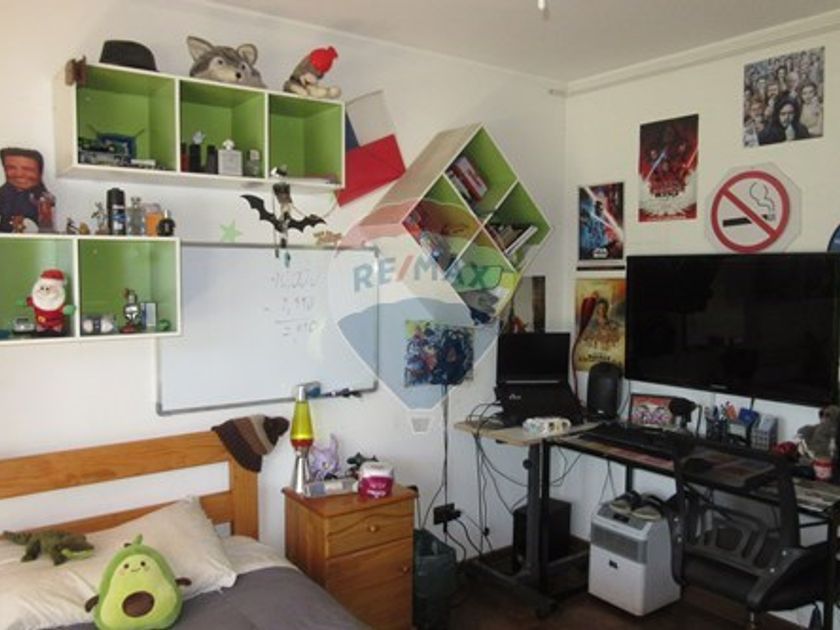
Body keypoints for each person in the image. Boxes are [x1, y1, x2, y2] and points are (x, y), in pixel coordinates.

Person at [0, 147, 48, 233]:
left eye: (28, 169)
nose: (19, 174)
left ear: (39, 172)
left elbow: (47, 228)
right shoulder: (3, 196)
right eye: (11, 168)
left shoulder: (44, 200)